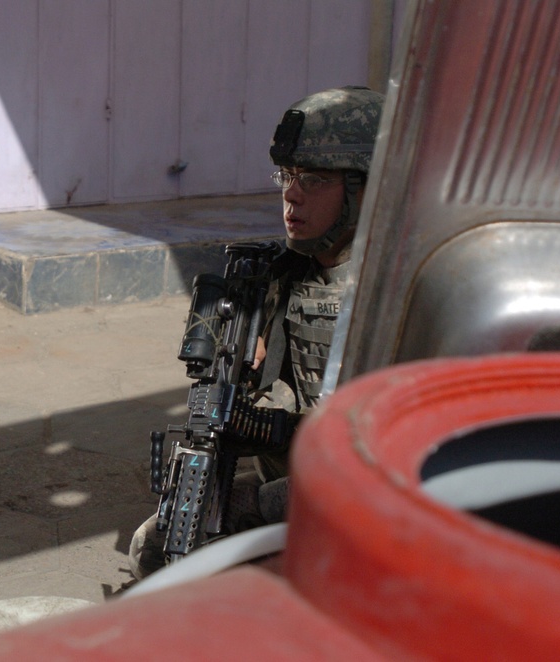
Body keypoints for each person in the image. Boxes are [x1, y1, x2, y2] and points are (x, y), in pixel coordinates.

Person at [129, 86, 385, 580]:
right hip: (299, 480)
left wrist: (259, 498)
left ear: (367, 189)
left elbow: (393, 458)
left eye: (313, 179)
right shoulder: (278, 274)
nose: (291, 194)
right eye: (288, 176)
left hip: (367, 498)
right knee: (158, 547)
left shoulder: (397, 295)